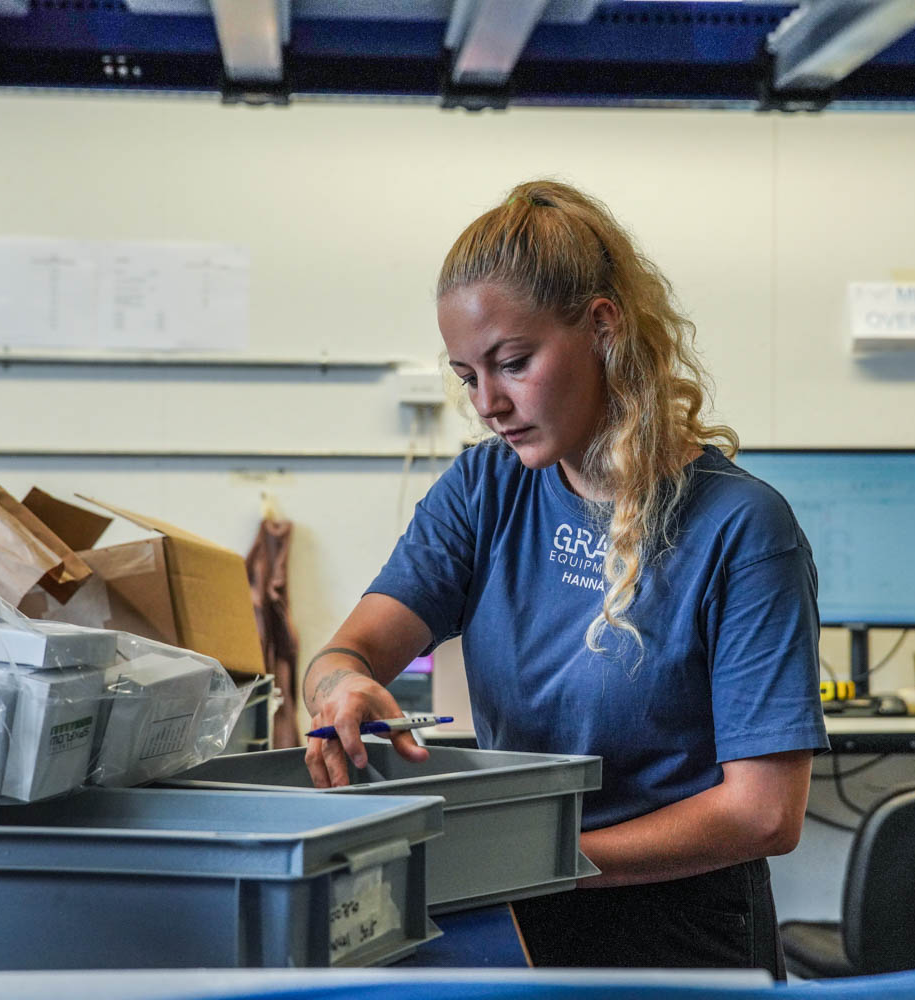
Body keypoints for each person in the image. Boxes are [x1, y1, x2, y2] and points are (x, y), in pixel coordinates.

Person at [302, 179, 827, 979]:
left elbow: (762, 816)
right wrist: (338, 686)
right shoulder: (486, 489)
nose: (488, 403)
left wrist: (539, 862)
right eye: (466, 375)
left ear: (602, 327)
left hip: (676, 946)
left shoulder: (741, 529)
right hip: (511, 927)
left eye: (512, 363)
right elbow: (350, 652)